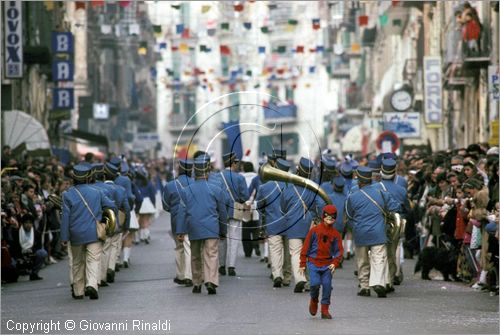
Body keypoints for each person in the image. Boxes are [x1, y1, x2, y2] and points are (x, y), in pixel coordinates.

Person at [61, 164, 116, 300]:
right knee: (93, 260)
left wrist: (64, 237)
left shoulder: (67, 195)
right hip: (93, 232)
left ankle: (78, 291)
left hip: (75, 234)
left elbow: (65, 218)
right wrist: (103, 217)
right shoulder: (97, 191)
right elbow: (112, 206)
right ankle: (91, 284)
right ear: (88, 177)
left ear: (74, 177)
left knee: (77, 262)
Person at [345, 166, 401, 298]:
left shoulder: (353, 196)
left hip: (360, 232)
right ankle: (377, 283)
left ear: (359, 181)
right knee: (378, 259)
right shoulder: (381, 193)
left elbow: (349, 216)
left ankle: (364, 287)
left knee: (362, 260)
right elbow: (395, 207)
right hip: (378, 231)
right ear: (371, 179)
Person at [176, 156, 228, 295]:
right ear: (208, 170)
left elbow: (182, 212)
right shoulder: (215, 189)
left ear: (194, 172)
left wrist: (180, 230)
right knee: (211, 254)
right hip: (211, 226)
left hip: (193, 226)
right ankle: (210, 281)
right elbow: (222, 212)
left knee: (195, 255)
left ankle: (197, 282)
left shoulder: (187, 190)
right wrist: (223, 230)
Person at [280, 157, 322, 293]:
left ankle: (300, 279)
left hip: (292, 224)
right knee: (310, 254)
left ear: (298, 170)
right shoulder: (313, 188)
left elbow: (283, 208)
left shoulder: (288, 189)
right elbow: (320, 205)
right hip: (310, 224)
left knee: (296, 253)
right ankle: (311, 281)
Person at [299, 204, 343, 319]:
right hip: (313, 263)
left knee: (327, 286)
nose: (329, 219)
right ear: (323, 216)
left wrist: (335, 262)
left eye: (332, 217)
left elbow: (339, 251)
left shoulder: (336, 234)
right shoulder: (314, 231)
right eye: (327, 216)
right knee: (314, 284)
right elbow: (306, 247)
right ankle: (314, 299)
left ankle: (324, 309)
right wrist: (303, 263)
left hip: (327, 265)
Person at [257, 158, 292, 288]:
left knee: (276, 251)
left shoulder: (265, 187)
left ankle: (277, 274)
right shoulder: (292, 186)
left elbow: (260, 206)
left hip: (273, 223)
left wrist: (265, 215)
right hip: (290, 224)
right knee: (288, 252)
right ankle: (287, 276)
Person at [218, 152, 249, 277]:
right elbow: (245, 196)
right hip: (235, 210)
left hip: (220, 211)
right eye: (237, 163)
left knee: (221, 238)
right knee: (234, 238)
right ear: (233, 163)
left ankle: (221, 265)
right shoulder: (239, 178)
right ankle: (231, 266)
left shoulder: (217, 176)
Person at [162, 159, 193, 287]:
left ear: (179, 169)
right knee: (189, 247)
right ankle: (189, 275)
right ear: (190, 169)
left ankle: (180, 275)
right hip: (192, 218)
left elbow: (165, 205)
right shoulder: (194, 183)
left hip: (175, 220)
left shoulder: (170, 185)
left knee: (179, 247)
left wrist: (174, 210)